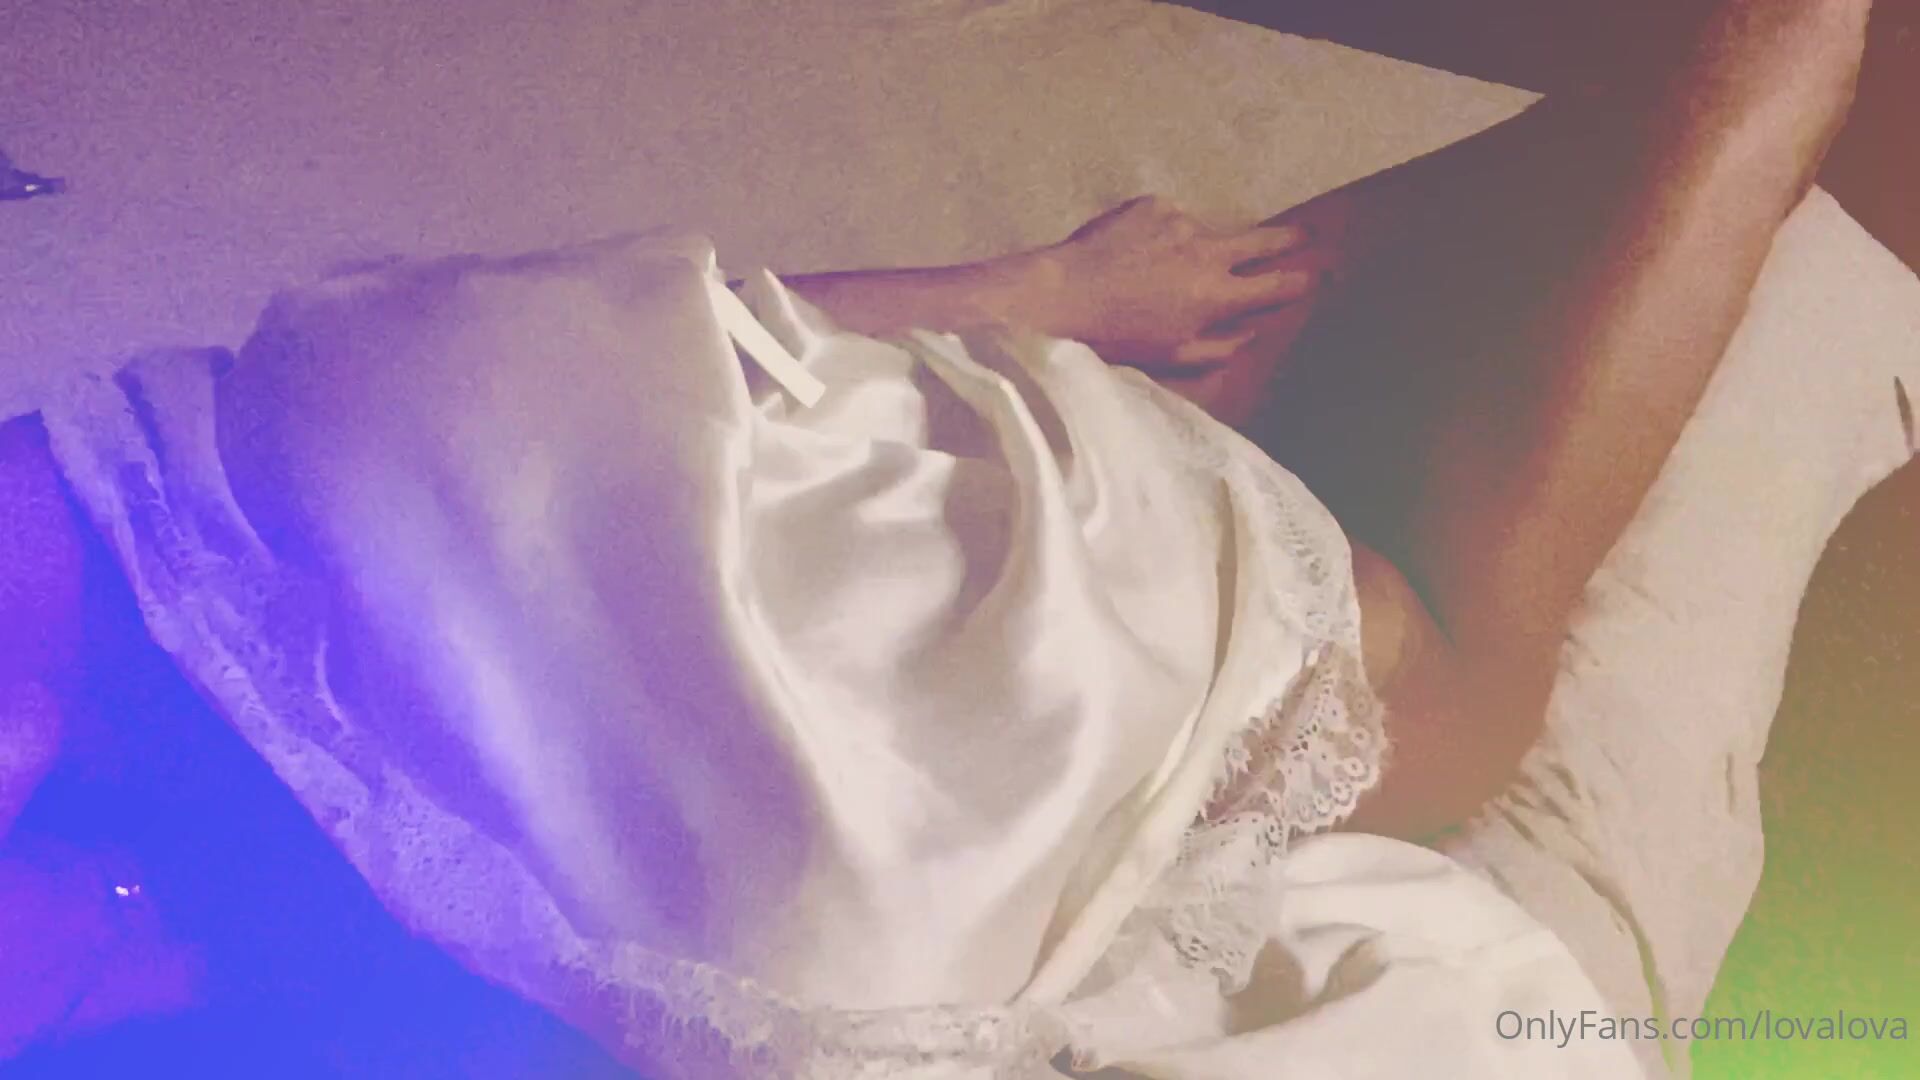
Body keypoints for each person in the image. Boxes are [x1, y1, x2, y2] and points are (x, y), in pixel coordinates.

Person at [0, 0, 1875, 1074]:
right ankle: (1712, 87)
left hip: (686, 615)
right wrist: (1040, 294)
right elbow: (663, 341)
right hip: (554, 441)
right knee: (1188, 433)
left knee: (1433, 681)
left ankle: (1782, 55)